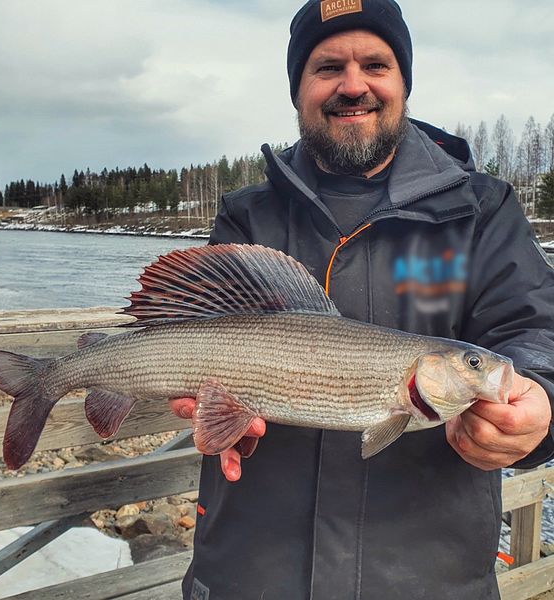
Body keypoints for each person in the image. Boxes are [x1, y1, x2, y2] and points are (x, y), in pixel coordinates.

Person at [170, 1, 554, 598]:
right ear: (298, 87)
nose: (354, 86)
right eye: (327, 67)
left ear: (403, 81)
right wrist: (212, 401)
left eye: (375, 64)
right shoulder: (247, 215)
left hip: (431, 579)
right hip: (247, 572)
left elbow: (535, 330)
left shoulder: (482, 211)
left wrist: (539, 402)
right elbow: (196, 333)